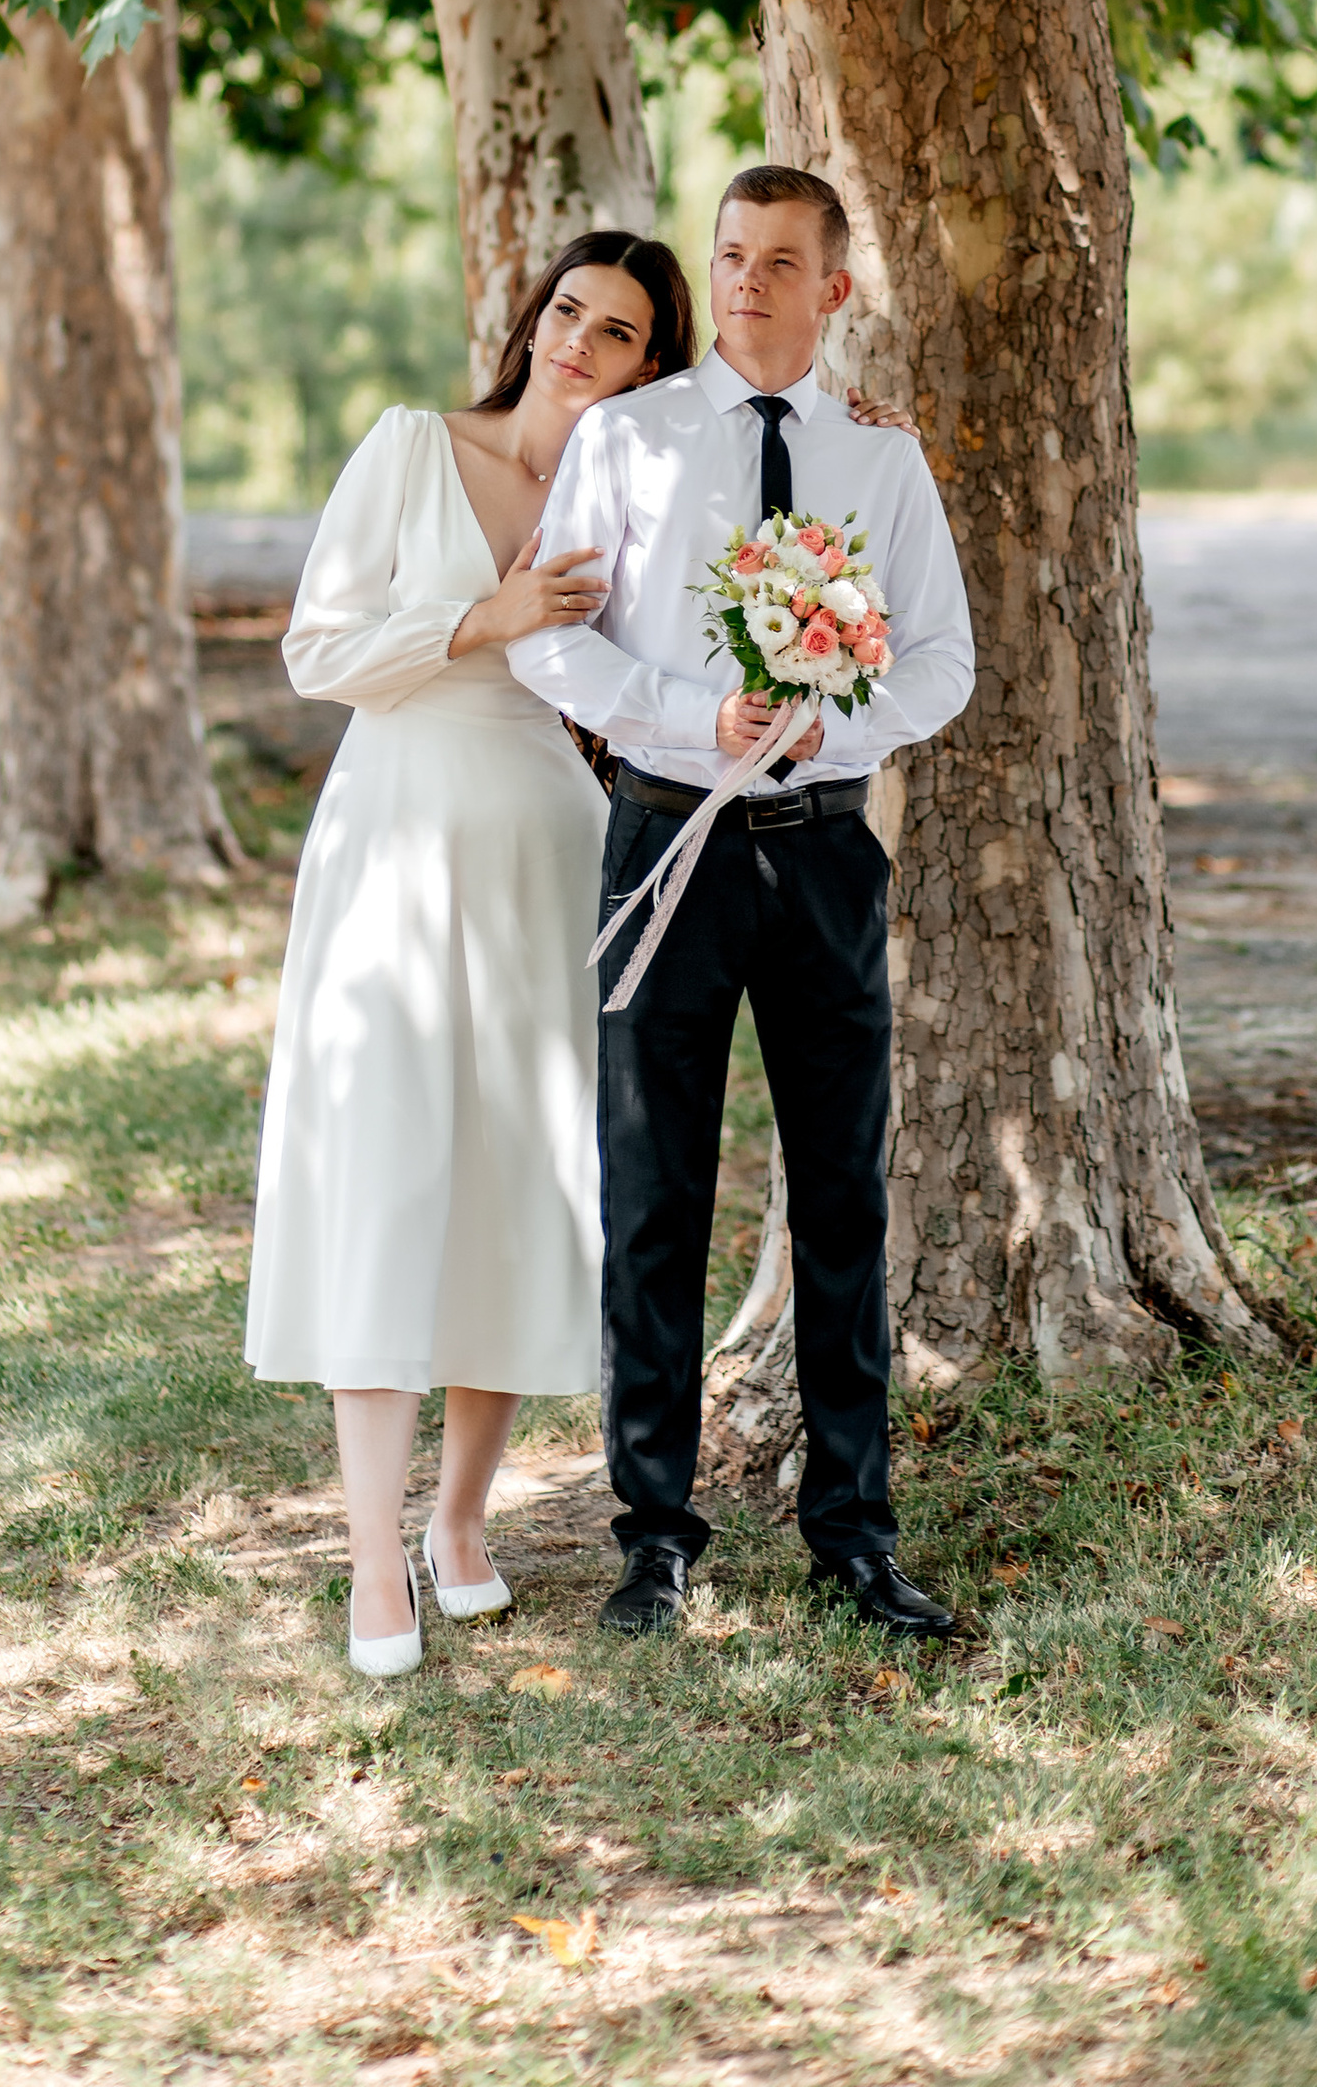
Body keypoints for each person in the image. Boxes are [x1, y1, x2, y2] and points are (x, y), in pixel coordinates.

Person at [508, 163, 977, 1647]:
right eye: (734, 255)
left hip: (826, 847)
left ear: (835, 290)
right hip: (665, 844)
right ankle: (652, 1537)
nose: (753, 281)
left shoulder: (881, 468)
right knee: (654, 1198)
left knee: (844, 1191)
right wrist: (682, 714)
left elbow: (941, 662)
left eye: (784, 260)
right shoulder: (629, 441)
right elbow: (553, 649)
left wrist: (824, 730)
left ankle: (853, 1529)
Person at [245, 227, 699, 1678]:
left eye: (618, 331)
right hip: (395, 833)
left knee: (519, 1178)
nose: (580, 341)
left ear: (651, 362)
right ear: (535, 316)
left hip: (549, 854)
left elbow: (708, 617)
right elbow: (320, 653)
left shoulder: (637, 492)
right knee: (385, 1172)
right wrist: (479, 618)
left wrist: (849, 430)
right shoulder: (410, 446)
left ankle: (458, 1524)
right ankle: (372, 1561)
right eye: (570, 311)